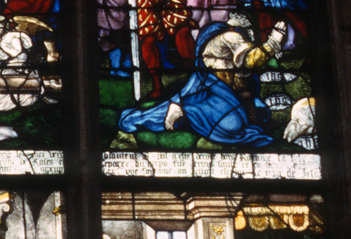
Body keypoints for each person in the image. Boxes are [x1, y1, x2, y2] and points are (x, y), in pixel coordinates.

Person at [119, 16, 286, 147]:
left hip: (222, 90)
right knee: (233, 125)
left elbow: (244, 75)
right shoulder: (232, 37)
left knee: (258, 116)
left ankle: (184, 111)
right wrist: (273, 42)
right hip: (217, 88)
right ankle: (184, 110)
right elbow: (250, 61)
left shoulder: (230, 37)